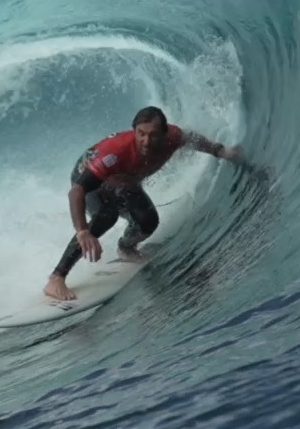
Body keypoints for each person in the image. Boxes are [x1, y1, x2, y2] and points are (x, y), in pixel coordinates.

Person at [46, 106, 251, 301]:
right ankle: (56, 277)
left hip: (123, 181)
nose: (146, 141)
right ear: (134, 131)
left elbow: (194, 139)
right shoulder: (115, 152)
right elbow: (77, 191)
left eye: (153, 135)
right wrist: (82, 231)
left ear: (164, 133)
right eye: (141, 133)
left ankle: (126, 248)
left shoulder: (173, 137)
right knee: (107, 215)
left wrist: (222, 152)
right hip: (89, 180)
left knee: (148, 221)